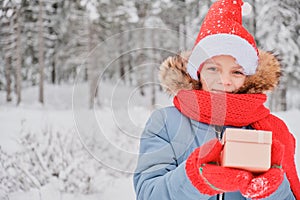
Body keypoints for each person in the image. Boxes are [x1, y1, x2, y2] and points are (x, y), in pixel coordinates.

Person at [133, 0, 300, 199]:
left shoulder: (271, 129)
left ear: (248, 78)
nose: (225, 81)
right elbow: (149, 194)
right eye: (213, 69)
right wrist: (194, 179)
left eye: (237, 72)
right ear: (198, 73)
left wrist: (272, 190)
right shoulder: (165, 122)